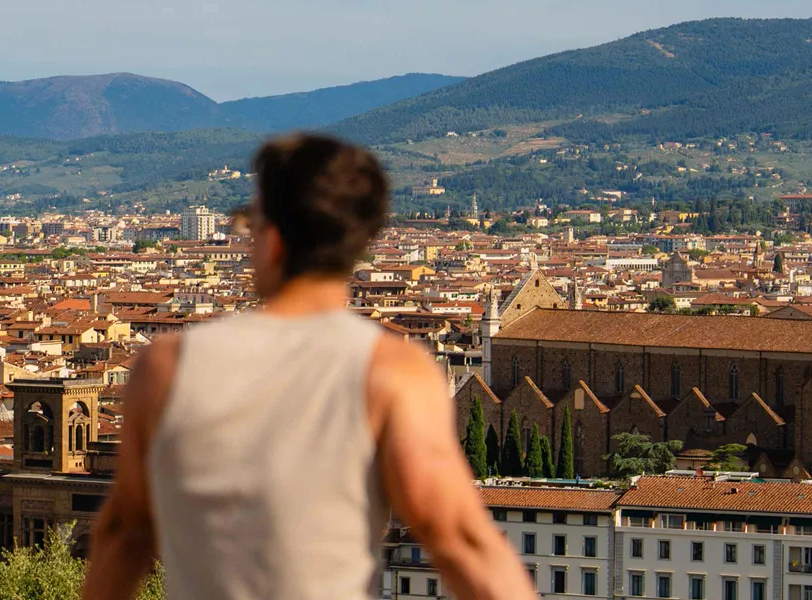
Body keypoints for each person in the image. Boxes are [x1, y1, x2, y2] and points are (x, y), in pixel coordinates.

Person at [81, 134, 533, 599]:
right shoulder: (394, 373)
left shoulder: (167, 367)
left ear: (273, 239)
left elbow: (124, 533)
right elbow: (461, 541)